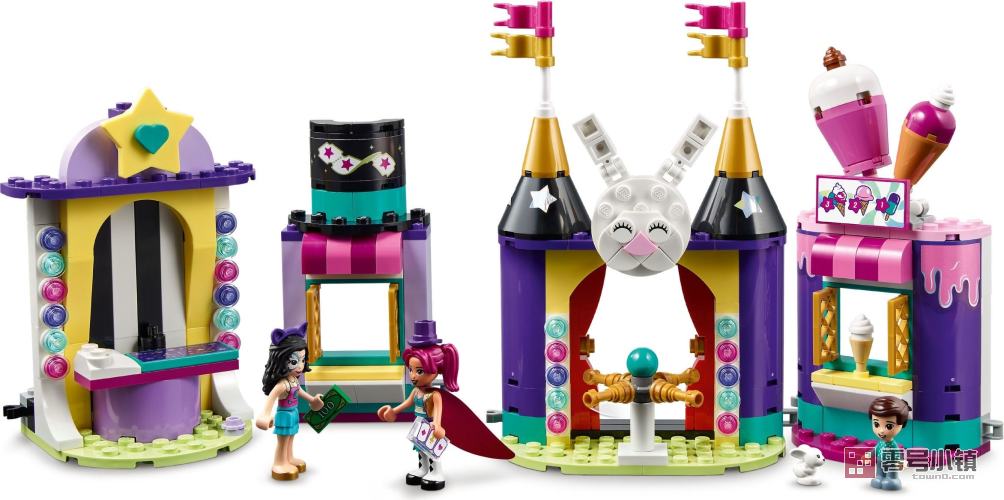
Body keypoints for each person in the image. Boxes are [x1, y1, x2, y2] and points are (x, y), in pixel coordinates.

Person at [377, 320, 514, 491]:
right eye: (410, 370)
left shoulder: (435, 395)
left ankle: (436, 472)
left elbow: (438, 411)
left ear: (435, 370)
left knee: (431, 450)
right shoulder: (416, 392)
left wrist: (438, 425)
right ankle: (422, 469)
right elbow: (407, 404)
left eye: (419, 371)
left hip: (430, 427)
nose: (413, 376)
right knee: (420, 449)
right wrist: (394, 411)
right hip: (418, 426)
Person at [257, 324, 324, 481]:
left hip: (293, 413)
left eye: (302, 360)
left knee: (291, 436)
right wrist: (265, 415)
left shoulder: (293, 380)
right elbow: (271, 398)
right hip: (284, 415)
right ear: (279, 360)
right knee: (283, 440)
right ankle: (279, 463)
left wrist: (313, 400)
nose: (300, 366)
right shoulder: (282, 384)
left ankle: (289, 458)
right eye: (294, 361)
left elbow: (300, 392)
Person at [869, 396, 911, 490]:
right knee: (879, 473)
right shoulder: (880, 443)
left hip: (891, 463)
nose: (881, 431)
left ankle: (892, 479)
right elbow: (876, 449)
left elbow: (897, 454)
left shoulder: (893, 445)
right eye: (876, 424)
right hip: (880, 461)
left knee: (891, 473)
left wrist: (901, 462)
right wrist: (869, 455)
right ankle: (879, 477)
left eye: (888, 426)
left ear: (902, 425)